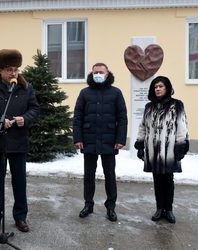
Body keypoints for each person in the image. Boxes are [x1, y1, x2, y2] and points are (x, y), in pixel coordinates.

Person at [0, 49, 39, 232]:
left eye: (16, 69)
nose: (14, 73)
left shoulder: (26, 87)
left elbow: (34, 109)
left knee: (19, 181)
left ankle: (20, 217)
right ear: (1, 70)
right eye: (9, 69)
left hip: (18, 142)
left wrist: (25, 119)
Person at [73, 62, 127, 222]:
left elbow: (122, 118)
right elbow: (77, 117)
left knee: (110, 175)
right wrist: (78, 138)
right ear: (91, 73)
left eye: (101, 72)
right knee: (88, 176)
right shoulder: (84, 93)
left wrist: (120, 139)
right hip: (88, 140)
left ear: (107, 74)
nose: (98, 74)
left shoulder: (116, 93)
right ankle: (88, 205)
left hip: (109, 141)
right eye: (95, 72)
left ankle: (111, 207)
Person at [134, 76, 189, 224]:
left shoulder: (176, 105)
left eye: (161, 86)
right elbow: (143, 127)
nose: (158, 89)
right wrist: (140, 144)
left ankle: (169, 210)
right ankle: (159, 209)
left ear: (167, 88)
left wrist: (180, 146)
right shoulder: (149, 107)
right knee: (157, 180)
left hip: (170, 151)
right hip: (153, 150)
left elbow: (181, 126)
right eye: (155, 86)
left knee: (168, 180)